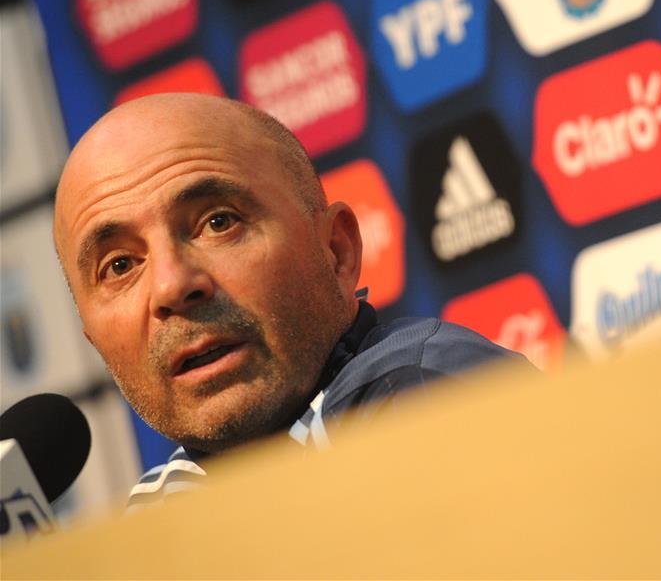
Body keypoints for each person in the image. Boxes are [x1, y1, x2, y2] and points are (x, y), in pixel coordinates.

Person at [52, 93, 527, 509]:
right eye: (119, 265)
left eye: (218, 222)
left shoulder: (420, 389)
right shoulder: (157, 508)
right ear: (95, 343)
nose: (171, 286)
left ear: (336, 252)